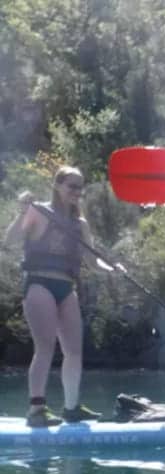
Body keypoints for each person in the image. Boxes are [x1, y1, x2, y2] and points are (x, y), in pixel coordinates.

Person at [3, 166, 102, 427]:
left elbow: (93, 261)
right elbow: (9, 241)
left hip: (66, 287)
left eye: (80, 187)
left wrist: (113, 269)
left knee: (74, 351)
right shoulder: (38, 211)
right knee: (45, 347)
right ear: (57, 185)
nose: (77, 192)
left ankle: (71, 408)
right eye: (72, 186)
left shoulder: (80, 225)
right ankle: (37, 409)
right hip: (39, 284)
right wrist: (21, 213)